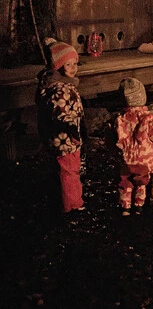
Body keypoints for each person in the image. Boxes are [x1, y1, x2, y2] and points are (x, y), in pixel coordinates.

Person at [35, 38, 85, 213]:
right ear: (59, 67)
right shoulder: (61, 89)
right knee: (69, 172)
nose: (73, 68)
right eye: (68, 64)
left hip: (62, 137)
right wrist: (73, 131)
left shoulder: (60, 85)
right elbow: (62, 115)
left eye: (75, 64)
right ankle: (72, 205)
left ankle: (67, 200)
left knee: (66, 169)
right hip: (65, 138)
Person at [113, 77, 153, 216]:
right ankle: (138, 206)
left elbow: (113, 137)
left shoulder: (120, 118)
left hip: (126, 159)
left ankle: (125, 207)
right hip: (144, 160)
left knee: (125, 181)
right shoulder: (149, 118)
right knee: (141, 183)